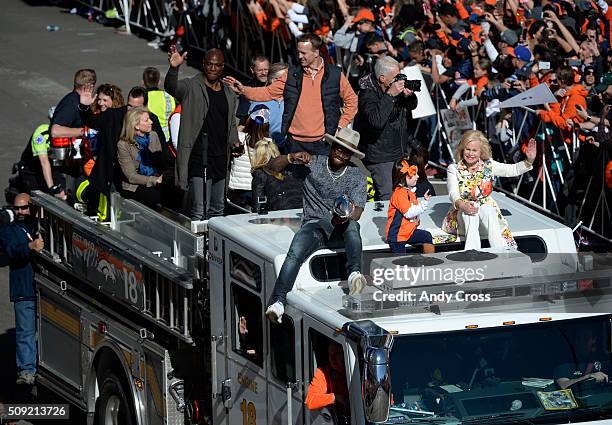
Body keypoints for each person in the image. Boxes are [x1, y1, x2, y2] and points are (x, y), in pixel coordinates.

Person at [265, 127, 367, 323]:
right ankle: (278, 302)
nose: (340, 153)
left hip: (341, 226)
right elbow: (271, 168)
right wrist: (291, 157)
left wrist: (344, 215)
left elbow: (358, 213)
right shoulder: (313, 163)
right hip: (314, 225)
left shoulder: (356, 175)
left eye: (346, 152)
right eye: (338, 148)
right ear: (331, 147)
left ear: (351, 156)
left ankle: (354, 273)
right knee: (294, 253)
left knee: (353, 228)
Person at [223, 33, 357, 155]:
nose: (299, 56)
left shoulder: (334, 74)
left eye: (303, 53)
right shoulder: (291, 74)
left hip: (322, 144)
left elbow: (352, 101)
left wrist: (340, 126)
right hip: (294, 143)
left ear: (316, 52)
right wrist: (243, 90)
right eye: (298, 52)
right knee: (293, 182)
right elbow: (268, 92)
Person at [165, 46, 240, 220]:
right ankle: (198, 246)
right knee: (199, 209)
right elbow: (171, 87)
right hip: (199, 157)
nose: (213, 69)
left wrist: (235, 142)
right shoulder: (191, 86)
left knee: (218, 210)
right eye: (209, 64)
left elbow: (230, 124)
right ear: (203, 65)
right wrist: (174, 68)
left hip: (221, 157)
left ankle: (213, 247)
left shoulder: (229, 93)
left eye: (217, 65)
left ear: (223, 67)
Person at [77, 85, 169, 218]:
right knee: (109, 214)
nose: (130, 111)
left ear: (145, 107)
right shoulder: (114, 115)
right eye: (129, 106)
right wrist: (84, 107)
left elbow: (162, 154)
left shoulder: (150, 122)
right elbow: (92, 121)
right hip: (114, 176)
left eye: (136, 108)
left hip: (143, 176)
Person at [443, 130, 536, 250]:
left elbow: (511, 170)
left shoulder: (489, 165)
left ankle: (499, 251)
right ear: (462, 149)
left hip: (486, 215)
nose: (470, 153)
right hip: (463, 214)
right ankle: (472, 252)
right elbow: (453, 193)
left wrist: (529, 161)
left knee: (488, 209)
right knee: (471, 212)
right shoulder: (453, 169)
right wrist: (463, 205)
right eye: (468, 149)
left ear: (481, 151)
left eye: (474, 150)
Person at [357, 56, 419, 200]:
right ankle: (386, 223)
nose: (399, 81)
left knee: (403, 193)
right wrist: (391, 95)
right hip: (381, 156)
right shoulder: (367, 93)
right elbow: (376, 121)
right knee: (388, 196)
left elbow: (412, 106)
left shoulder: (393, 88)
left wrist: (408, 96)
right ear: (382, 78)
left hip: (399, 151)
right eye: (395, 78)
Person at [0, 193, 44, 386]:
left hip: (43, 289)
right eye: (17, 208)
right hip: (23, 289)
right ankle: (26, 371)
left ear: (31, 208)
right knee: (25, 332)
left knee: (43, 332)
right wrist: (30, 246)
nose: (20, 211)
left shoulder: (39, 226)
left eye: (24, 207)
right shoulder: (8, 230)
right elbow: (12, 250)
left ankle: (42, 368)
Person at [116, 107, 164, 209]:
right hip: (133, 186)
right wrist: (155, 180)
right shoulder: (123, 145)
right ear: (136, 125)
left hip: (154, 179)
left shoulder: (153, 135)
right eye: (146, 120)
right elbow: (131, 176)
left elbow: (160, 162)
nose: (151, 122)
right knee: (152, 196)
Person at [386, 159, 434, 255]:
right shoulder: (399, 193)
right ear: (404, 177)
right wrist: (424, 203)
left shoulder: (409, 191)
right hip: (397, 235)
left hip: (408, 231)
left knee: (427, 236)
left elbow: (414, 213)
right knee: (402, 263)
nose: (418, 176)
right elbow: (408, 213)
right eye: (414, 174)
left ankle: (430, 262)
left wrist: (416, 223)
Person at [251, 138, 303, 211]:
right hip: (301, 210)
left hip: (280, 215)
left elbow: (258, 205)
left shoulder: (260, 173)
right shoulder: (290, 168)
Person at [305, 343, 350, 424]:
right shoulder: (323, 373)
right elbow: (310, 401)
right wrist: (335, 397)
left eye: (337, 354)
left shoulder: (355, 373)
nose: (332, 359)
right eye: (330, 354)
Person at [143, 66, 176, 140]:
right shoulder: (168, 96)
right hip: (167, 137)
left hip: (149, 138)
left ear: (143, 82)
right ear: (159, 82)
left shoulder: (142, 98)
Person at [237, 55, 271, 120]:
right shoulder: (247, 89)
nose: (263, 73)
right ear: (252, 70)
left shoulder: (276, 85)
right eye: (260, 70)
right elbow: (242, 115)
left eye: (266, 70)